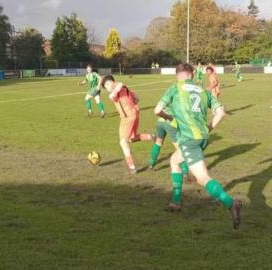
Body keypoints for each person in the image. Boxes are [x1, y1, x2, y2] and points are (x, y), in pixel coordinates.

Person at [154, 63, 242, 229]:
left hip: (189, 140)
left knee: (202, 178)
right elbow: (221, 112)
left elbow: (157, 110)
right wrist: (209, 128)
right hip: (203, 138)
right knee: (175, 161)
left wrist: (168, 117)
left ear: (177, 75)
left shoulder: (174, 88)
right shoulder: (204, 91)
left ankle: (231, 204)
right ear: (192, 74)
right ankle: (176, 202)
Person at [102, 75, 155, 174]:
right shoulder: (122, 88)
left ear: (114, 81)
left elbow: (115, 92)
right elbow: (136, 98)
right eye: (106, 87)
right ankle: (150, 136)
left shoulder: (120, 87)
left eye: (108, 83)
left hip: (127, 118)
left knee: (123, 142)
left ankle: (132, 167)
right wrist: (133, 104)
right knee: (131, 138)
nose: (108, 87)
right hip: (133, 115)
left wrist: (117, 89)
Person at [149, 108, 190, 180]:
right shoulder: (177, 98)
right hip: (170, 123)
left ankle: (151, 164)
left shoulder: (166, 97)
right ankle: (185, 172)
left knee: (158, 143)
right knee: (180, 148)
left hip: (160, 122)